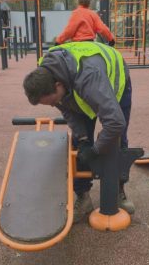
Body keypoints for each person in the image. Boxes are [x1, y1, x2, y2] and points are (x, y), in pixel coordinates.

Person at [23, 41, 133, 224]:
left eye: (53, 101)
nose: (53, 105)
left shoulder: (88, 78)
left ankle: (118, 190)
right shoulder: (46, 76)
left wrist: (97, 149)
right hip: (78, 85)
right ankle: (83, 197)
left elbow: (115, 123)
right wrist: (83, 140)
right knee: (79, 145)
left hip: (114, 79)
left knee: (116, 139)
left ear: (59, 85)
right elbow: (66, 109)